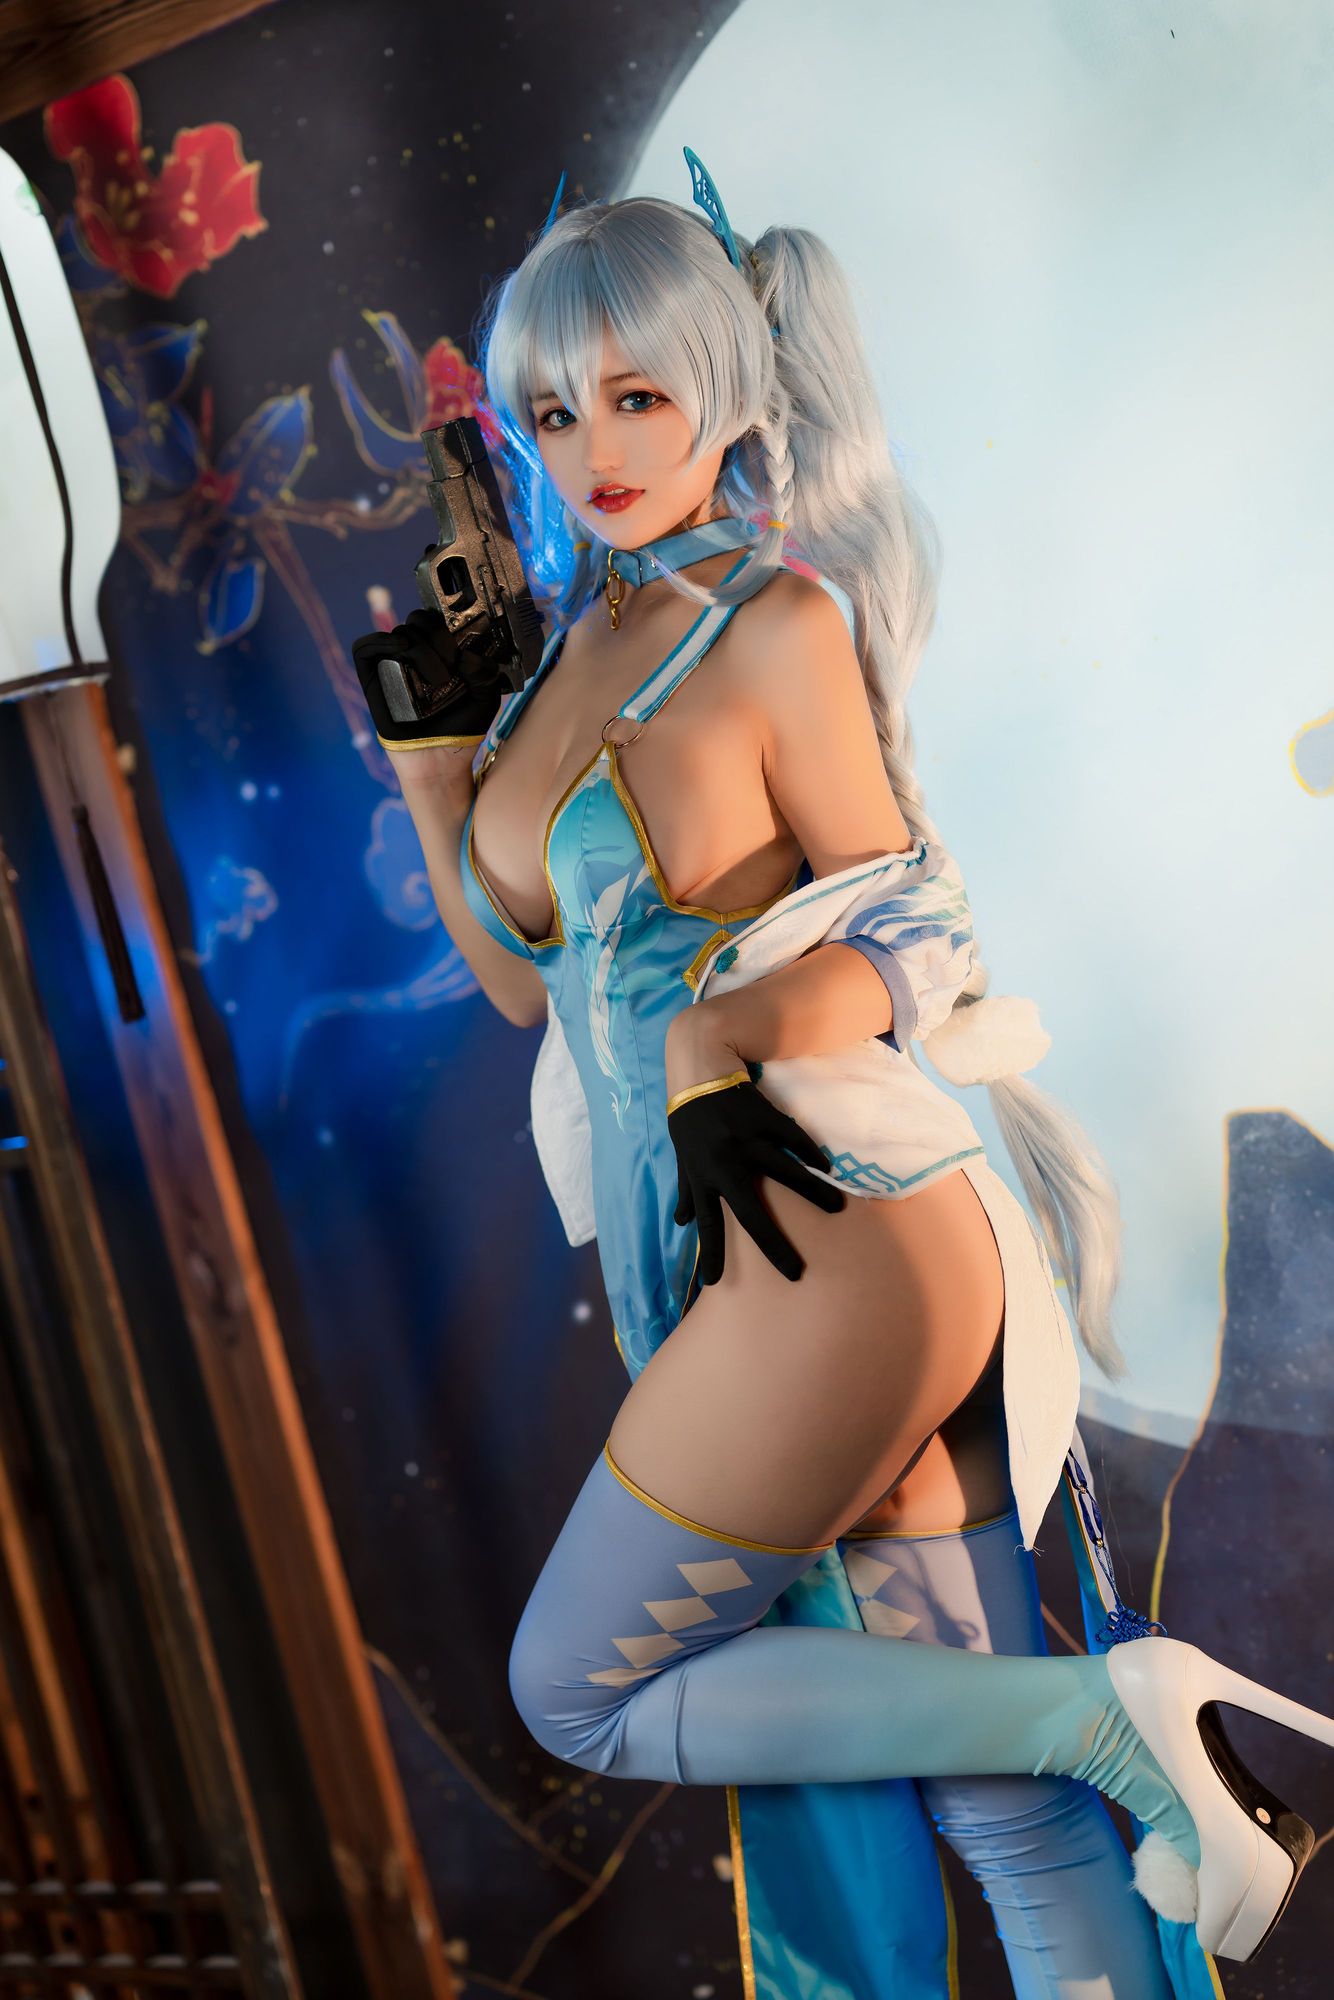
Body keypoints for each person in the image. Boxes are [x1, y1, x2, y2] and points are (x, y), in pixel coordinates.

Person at [352, 152, 1332, 1998]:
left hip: (828, 1226)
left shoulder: (773, 623)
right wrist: (432, 772)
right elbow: (523, 991)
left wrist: (727, 1034)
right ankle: (1108, 1737)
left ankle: (1111, 1719)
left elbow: (921, 925)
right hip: (719, 1264)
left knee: (580, 1690)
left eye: (636, 396)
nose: (594, 449)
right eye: (554, 412)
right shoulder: (571, 654)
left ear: (727, 389)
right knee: (1005, 1820)